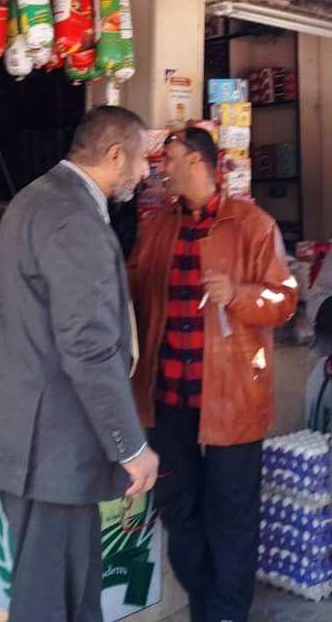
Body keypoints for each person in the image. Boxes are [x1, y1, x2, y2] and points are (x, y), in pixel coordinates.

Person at [0, 105, 159, 622]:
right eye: (141, 160)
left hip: (32, 443)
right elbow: (88, 347)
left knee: (72, 593)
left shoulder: (35, 198)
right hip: (50, 447)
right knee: (53, 601)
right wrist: (131, 446)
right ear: (115, 155)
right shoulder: (75, 219)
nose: (145, 173)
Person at [128, 128, 298, 622]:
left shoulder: (253, 224)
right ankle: (206, 607)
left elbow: (285, 300)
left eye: (170, 159)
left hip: (232, 400)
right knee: (180, 509)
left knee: (232, 515)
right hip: (167, 397)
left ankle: (227, 613)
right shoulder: (157, 226)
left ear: (198, 163)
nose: (162, 168)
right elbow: (134, 291)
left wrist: (239, 295)